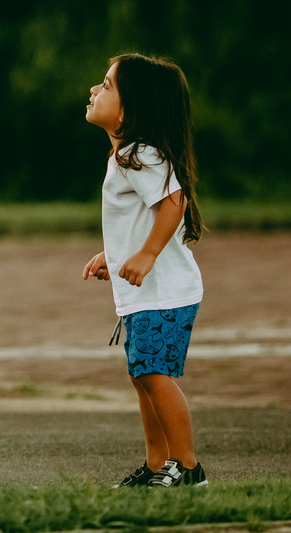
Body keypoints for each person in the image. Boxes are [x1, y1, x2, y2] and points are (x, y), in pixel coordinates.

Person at [81, 53, 206, 488]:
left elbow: (174, 204)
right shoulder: (128, 158)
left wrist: (147, 255)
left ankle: (188, 468)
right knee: (143, 377)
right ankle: (157, 465)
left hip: (163, 291)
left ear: (131, 110)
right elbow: (140, 218)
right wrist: (113, 254)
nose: (95, 90)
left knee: (153, 375)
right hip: (148, 293)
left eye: (107, 85)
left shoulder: (139, 154)